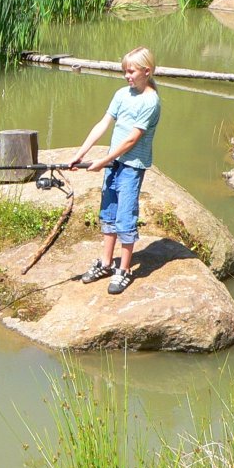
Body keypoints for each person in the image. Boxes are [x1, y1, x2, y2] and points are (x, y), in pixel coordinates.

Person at [67, 46, 161, 295]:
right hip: (114, 163)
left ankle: (124, 270)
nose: (127, 76)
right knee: (108, 212)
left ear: (146, 71)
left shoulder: (151, 101)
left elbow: (132, 140)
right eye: (124, 72)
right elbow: (103, 124)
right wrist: (82, 153)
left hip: (131, 166)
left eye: (131, 71)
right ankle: (106, 264)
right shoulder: (122, 94)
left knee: (125, 217)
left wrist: (102, 160)